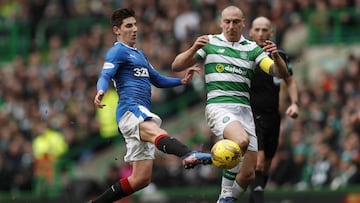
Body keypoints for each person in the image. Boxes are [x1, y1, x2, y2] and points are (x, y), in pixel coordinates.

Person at [88, 8, 212, 203]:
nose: (135, 29)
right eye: (129, 26)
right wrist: (100, 91)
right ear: (117, 30)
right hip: (130, 110)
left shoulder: (140, 55)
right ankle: (189, 154)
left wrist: (181, 81)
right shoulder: (117, 51)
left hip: (137, 112)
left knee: (141, 179)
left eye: (135, 24)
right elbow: (105, 75)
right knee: (154, 129)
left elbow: (157, 79)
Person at [172, 5, 289, 203]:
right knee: (241, 142)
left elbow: (280, 73)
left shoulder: (252, 49)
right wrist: (194, 48)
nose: (231, 26)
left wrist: (276, 57)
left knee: (248, 174)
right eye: (227, 21)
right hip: (220, 106)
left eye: (236, 22)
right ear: (221, 22)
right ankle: (216, 176)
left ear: (243, 24)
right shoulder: (210, 42)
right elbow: (176, 65)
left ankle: (224, 197)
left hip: (245, 111)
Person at [248, 16, 299, 203]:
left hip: (273, 116)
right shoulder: (245, 53)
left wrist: (294, 103)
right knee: (259, 162)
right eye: (257, 29)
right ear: (251, 32)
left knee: (266, 166)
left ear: (272, 32)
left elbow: (290, 80)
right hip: (251, 115)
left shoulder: (281, 55)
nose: (261, 33)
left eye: (265, 30)